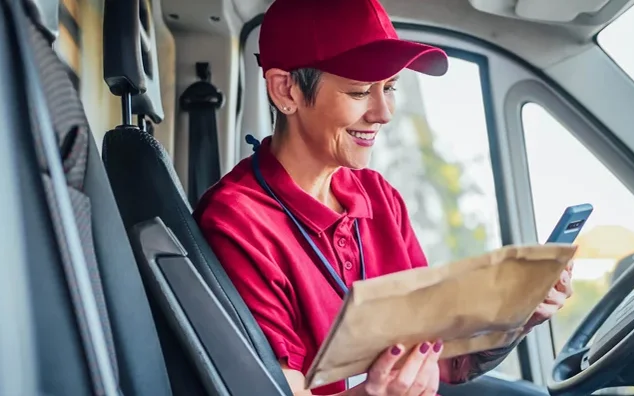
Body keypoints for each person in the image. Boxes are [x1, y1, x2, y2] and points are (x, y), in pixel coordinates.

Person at [194, 0, 574, 394]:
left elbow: (442, 363)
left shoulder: (379, 197)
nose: (383, 112)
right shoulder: (237, 222)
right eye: (359, 92)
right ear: (285, 89)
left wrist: (519, 314)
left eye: (389, 87)